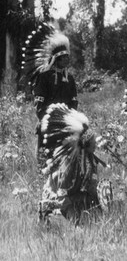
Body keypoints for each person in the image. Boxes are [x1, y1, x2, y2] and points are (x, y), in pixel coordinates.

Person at [38, 104, 112, 224]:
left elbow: (91, 184)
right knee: (73, 226)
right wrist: (73, 219)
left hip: (73, 195)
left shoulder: (89, 159)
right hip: (57, 199)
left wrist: (101, 198)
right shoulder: (68, 163)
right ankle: (49, 215)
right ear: (86, 144)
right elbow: (62, 196)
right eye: (93, 143)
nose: (96, 145)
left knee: (94, 207)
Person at [21, 24, 78, 158]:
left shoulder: (69, 78)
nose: (66, 59)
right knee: (46, 159)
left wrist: (70, 119)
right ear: (55, 59)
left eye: (67, 57)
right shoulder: (44, 77)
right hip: (47, 124)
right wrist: (48, 120)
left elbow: (73, 102)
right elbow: (39, 103)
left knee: (63, 159)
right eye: (63, 57)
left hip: (66, 125)